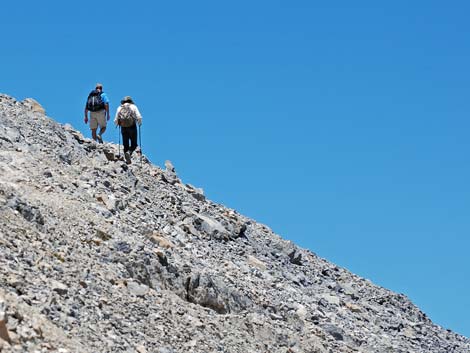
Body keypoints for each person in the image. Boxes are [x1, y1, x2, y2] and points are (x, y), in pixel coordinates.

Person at [114, 96, 142, 163]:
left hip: (123, 127)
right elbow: (139, 116)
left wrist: (118, 124)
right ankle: (129, 153)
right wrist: (139, 123)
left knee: (125, 144)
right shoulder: (133, 106)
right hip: (132, 126)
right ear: (130, 101)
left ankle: (127, 159)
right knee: (134, 144)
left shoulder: (119, 108)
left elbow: (115, 120)